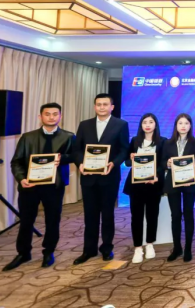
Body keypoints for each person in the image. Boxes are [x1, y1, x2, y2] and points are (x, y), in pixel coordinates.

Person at [4, 103, 74, 271]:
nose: (51, 117)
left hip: (54, 186)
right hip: (30, 186)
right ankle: (23, 253)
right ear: (40, 117)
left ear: (60, 116)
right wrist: (21, 179)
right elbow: (16, 162)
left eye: (55, 114)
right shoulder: (27, 137)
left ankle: (48, 252)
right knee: (26, 220)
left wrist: (62, 158)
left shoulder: (69, 136)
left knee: (53, 220)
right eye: (47, 114)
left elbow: (75, 156)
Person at [72, 93, 129, 265]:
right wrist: (80, 163)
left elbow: (124, 150)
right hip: (88, 178)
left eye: (105, 104)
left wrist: (114, 163)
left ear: (112, 107)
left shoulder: (121, 124)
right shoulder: (84, 125)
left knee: (108, 214)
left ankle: (106, 248)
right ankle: (88, 250)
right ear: (94, 106)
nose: (102, 107)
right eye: (98, 104)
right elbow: (77, 149)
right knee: (90, 215)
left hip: (109, 177)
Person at [123, 113, 167, 264]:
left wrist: (156, 175)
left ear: (156, 124)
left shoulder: (162, 141)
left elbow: (163, 163)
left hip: (153, 184)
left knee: (152, 215)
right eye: (144, 122)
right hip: (136, 185)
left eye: (151, 122)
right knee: (136, 217)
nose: (147, 125)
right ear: (141, 125)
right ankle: (137, 248)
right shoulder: (135, 140)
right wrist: (131, 158)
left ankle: (149, 244)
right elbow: (127, 162)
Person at [162, 113, 195, 262]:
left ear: (190, 126)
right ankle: (177, 248)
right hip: (172, 183)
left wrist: (190, 175)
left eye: (186, 123)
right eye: (180, 123)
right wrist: (167, 164)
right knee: (175, 215)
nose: (183, 126)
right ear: (176, 126)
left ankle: (188, 248)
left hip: (189, 183)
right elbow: (162, 162)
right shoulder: (168, 143)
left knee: (188, 214)